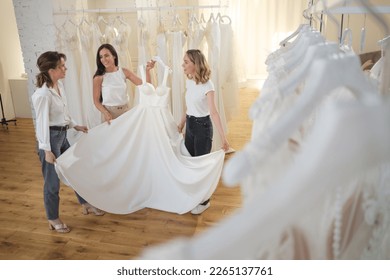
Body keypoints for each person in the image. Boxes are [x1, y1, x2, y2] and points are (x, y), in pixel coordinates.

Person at [55, 57, 225, 216]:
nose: (103, 59)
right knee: (141, 153)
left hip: (161, 121)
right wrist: (148, 72)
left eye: (186, 61)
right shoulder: (106, 76)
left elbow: (206, 109)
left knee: (173, 155)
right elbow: (146, 87)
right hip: (144, 120)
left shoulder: (193, 81)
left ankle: (197, 194)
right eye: (101, 56)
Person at [32, 51, 104, 234]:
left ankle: (85, 203)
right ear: (51, 70)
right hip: (49, 140)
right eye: (62, 66)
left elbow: (62, 114)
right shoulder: (42, 95)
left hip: (62, 136)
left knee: (75, 171)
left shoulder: (59, 86)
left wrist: (74, 125)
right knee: (52, 182)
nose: (65, 68)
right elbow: (41, 124)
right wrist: (47, 150)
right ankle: (52, 218)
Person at [178, 49, 230, 214]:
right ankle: (195, 196)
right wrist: (181, 124)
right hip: (191, 125)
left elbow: (214, 112)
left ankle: (204, 201)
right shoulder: (189, 81)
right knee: (190, 162)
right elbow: (189, 107)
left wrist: (224, 139)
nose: (183, 65)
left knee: (201, 166)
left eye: (186, 62)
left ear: (195, 64)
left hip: (203, 128)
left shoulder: (208, 85)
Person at [92, 43, 155, 123]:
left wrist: (147, 70)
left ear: (114, 56)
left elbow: (146, 86)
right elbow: (96, 101)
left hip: (126, 112)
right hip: (110, 114)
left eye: (106, 55)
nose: (103, 59)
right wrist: (105, 113)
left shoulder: (124, 72)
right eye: (101, 57)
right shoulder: (99, 77)